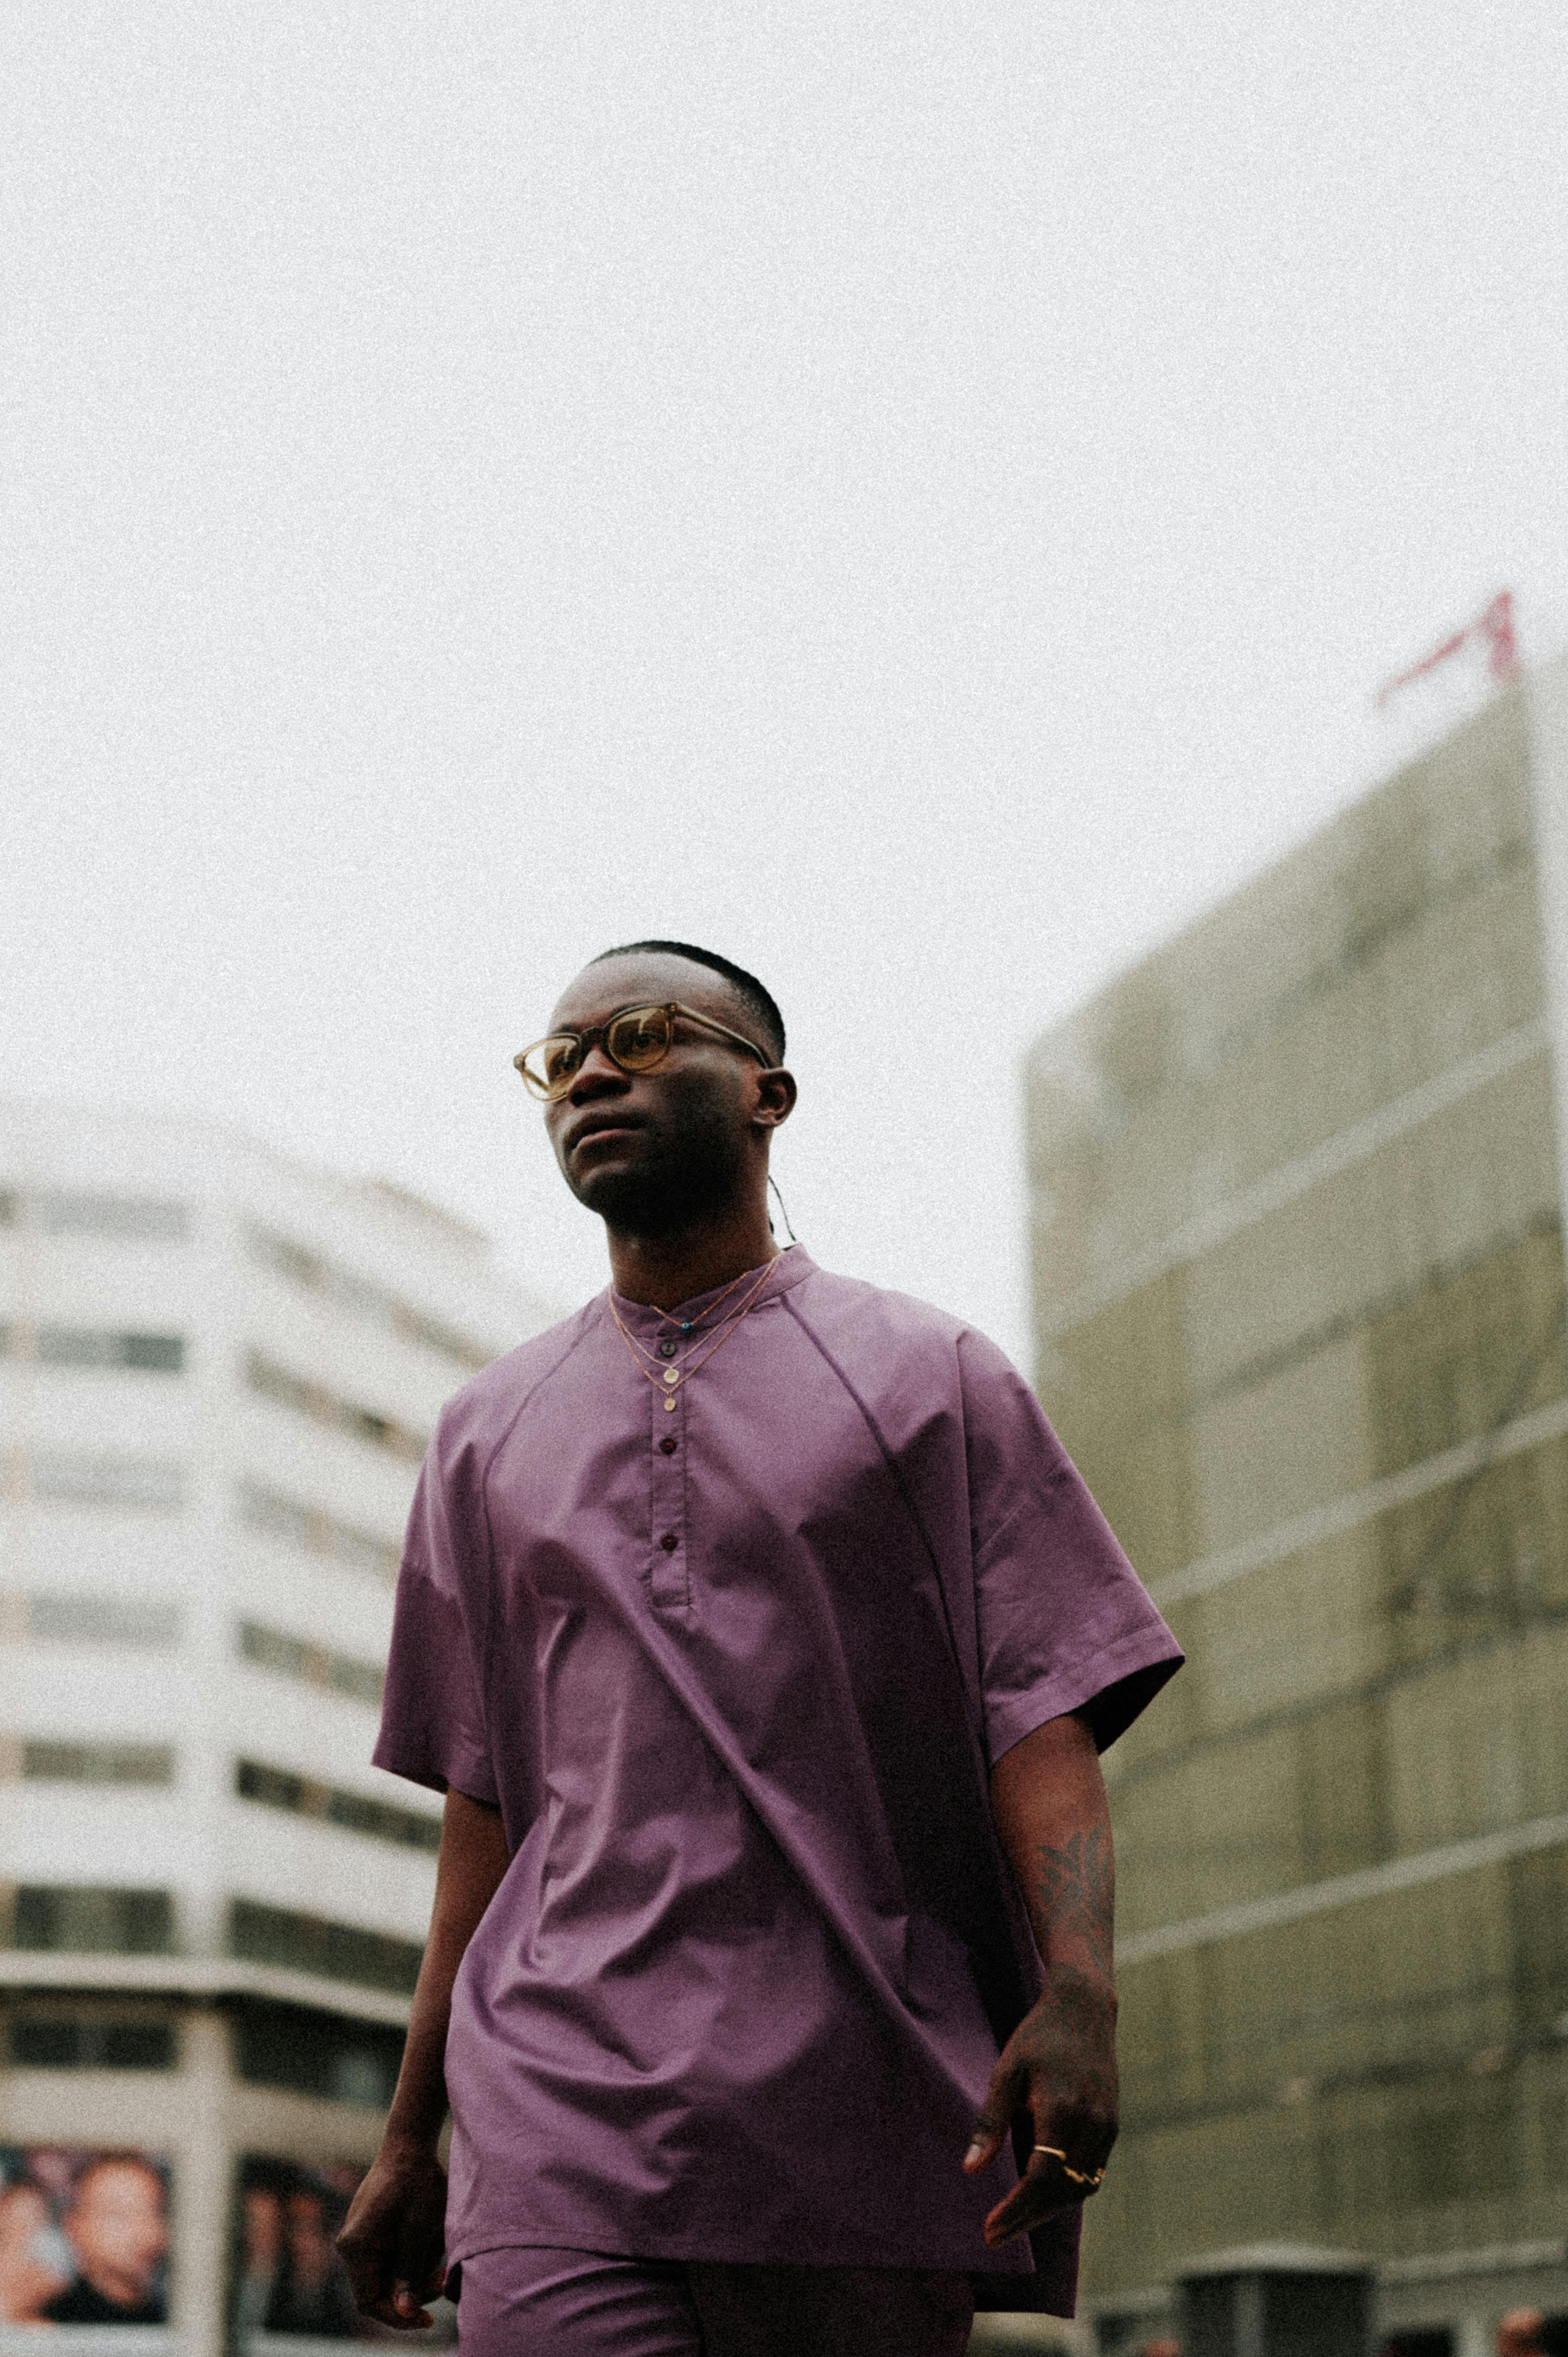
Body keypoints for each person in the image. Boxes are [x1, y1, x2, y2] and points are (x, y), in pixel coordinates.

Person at [337, 941, 1182, 2357]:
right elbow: (483, 1810)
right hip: (555, 2106)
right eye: (564, 1055)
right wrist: (410, 2131)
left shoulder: (930, 1379)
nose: (594, 1070)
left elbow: (1035, 1718)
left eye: (650, 1034)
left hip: (859, 2100)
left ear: (766, 1094)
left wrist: (1082, 1997)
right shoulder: (484, 1431)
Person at [41, 2154, 168, 2324]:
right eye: (120, 2216)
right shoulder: (50, 2328)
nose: (144, 2231)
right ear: (75, 2227)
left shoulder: (177, 2321)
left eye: (153, 2213)